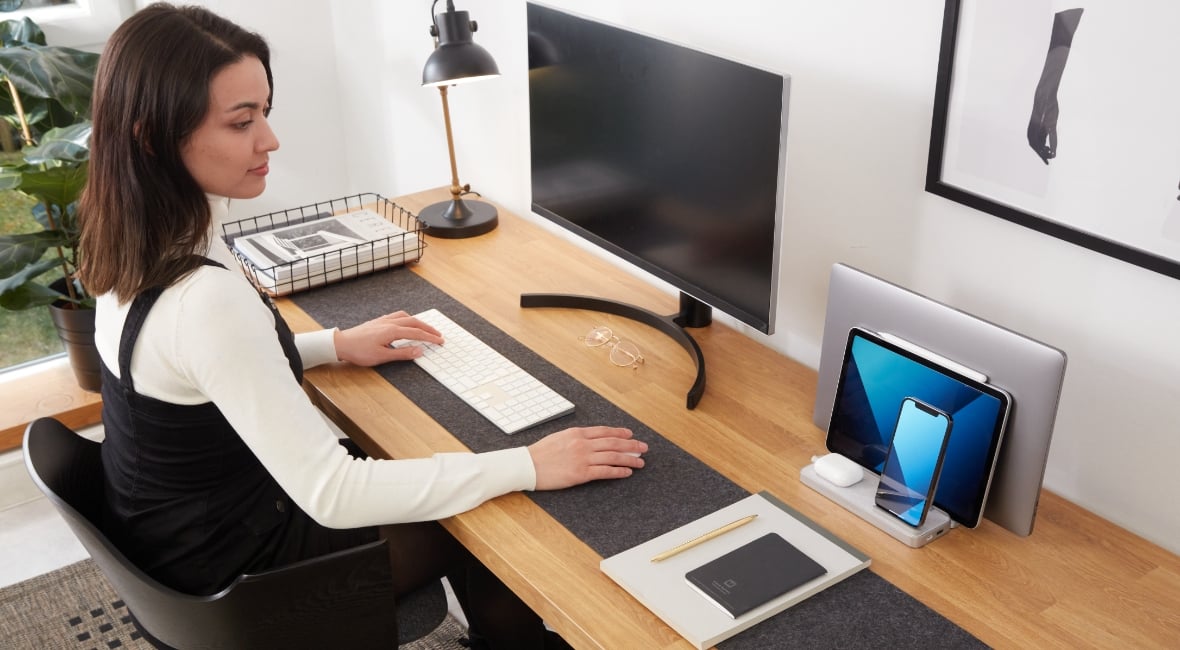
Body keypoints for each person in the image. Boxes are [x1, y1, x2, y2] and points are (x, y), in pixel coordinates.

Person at [76, 4, 646, 648]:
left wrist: (333, 345)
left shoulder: (126, 239)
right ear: (152, 136)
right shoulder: (204, 300)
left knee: (422, 466)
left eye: (265, 110)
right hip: (240, 581)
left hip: (175, 540)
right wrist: (529, 463)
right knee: (479, 518)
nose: (270, 140)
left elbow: (192, 373)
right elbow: (334, 494)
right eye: (242, 122)